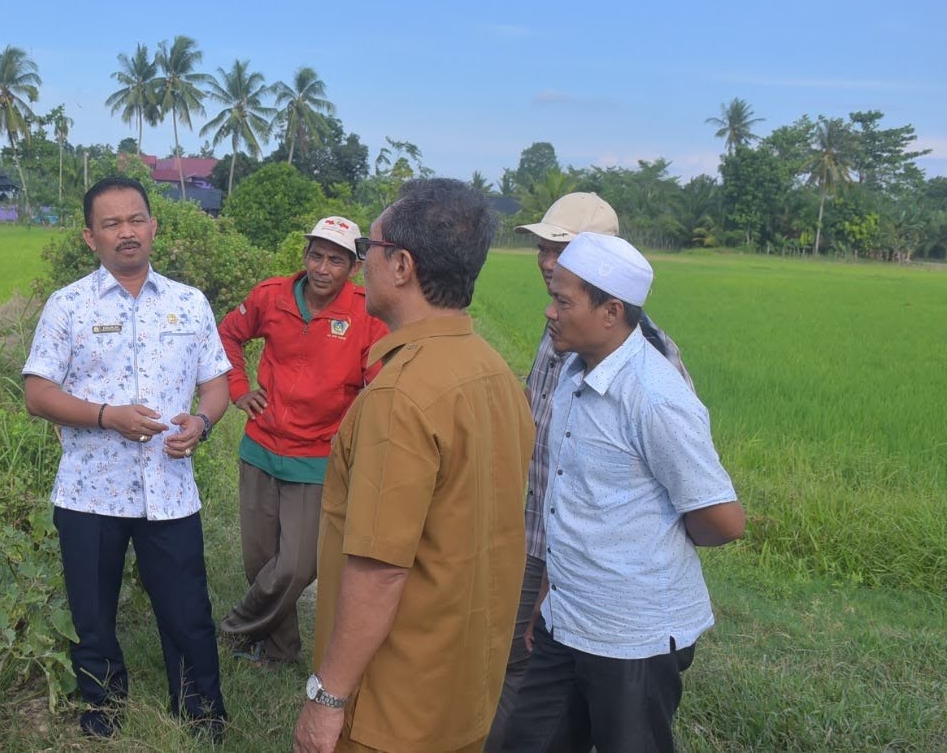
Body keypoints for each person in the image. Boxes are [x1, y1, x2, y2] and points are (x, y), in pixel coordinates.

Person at [295, 179, 533, 753]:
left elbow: (380, 571)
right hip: (463, 691)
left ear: (401, 265)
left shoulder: (400, 397)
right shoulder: (494, 372)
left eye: (367, 251)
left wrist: (327, 699)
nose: (360, 264)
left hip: (392, 710)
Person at [500, 233, 744, 753]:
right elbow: (566, 495)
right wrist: (549, 590)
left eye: (563, 301)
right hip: (565, 617)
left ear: (611, 311)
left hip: (634, 636)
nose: (549, 311)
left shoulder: (654, 396)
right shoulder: (569, 372)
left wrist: (648, 544)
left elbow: (723, 520)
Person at [22, 176, 233, 740]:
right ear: (91, 237)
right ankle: (103, 708)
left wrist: (202, 421)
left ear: (153, 226)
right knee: (92, 613)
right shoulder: (68, 305)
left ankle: (201, 712)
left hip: (169, 487)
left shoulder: (189, 303)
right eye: (111, 224)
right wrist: (105, 415)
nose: (126, 232)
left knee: (188, 609)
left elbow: (217, 385)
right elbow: (37, 392)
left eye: (135, 219)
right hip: (91, 491)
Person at [216, 215, 387, 667]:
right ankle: (280, 650)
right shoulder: (270, 296)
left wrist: (350, 430)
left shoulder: (368, 312)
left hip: (317, 456)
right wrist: (238, 389)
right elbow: (228, 336)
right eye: (316, 255)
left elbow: (380, 382)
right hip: (260, 446)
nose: (323, 268)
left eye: (336, 260)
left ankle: (232, 629)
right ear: (305, 255)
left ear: (353, 267)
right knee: (260, 561)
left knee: (296, 565)